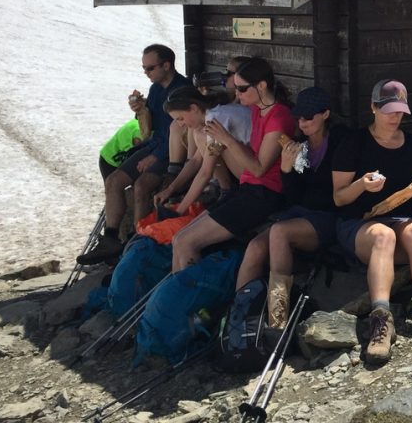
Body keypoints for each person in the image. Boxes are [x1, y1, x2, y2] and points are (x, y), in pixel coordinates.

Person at [332, 79, 412, 364]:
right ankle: (381, 320)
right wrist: (362, 184)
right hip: (358, 224)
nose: (394, 117)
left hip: (400, 219)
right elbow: (339, 199)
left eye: (399, 111)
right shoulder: (354, 143)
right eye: (388, 111)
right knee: (383, 235)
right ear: (373, 108)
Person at [235, 87, 347, 329]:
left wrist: (296, 170)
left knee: (279, 232)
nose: (303, 123)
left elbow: (329, 192)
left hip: (328, 216)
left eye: (309, 117)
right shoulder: (299, 145)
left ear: (325, 114)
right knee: (255, 248)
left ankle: (277, 317)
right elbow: (294, 197)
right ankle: (238, 318)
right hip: (300, 213)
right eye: (299, 117)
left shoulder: (341, 141)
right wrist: (287, 169)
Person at [170, 58, 295, 272]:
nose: (237, 95)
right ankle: (174, 296)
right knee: (179, 239)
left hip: (265, 194)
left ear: (262, 86)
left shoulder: (278, 118)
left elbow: (259, 169)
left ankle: (189, 300)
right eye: (236, 88)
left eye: (242, 89)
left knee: (185, 242)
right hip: (249, 188)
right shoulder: (258, 109)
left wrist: (227, 139)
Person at [78, 44, 191, 265]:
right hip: (156, 144)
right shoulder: (158, 88)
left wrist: (155, 157)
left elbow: (180, 131)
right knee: (113, 181)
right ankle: (111, 239)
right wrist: (142, 108)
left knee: (142, 186)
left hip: (173, 151)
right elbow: (154, 124)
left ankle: (137, 241)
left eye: (150, 68)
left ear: (166, 65)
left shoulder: (183, 90)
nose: (146, 73)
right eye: (144, 69)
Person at [153, 84, 252, 214]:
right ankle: (225, 191)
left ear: (194, 108)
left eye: (181, 118)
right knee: (199, 134)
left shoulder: (216, 120)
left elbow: (206, 172)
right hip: (246, 161)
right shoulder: (211, 115)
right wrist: (170, 189)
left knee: (202, 136)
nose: (180, 124)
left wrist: (179, 211)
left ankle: (226, 191)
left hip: (254, 172)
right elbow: (195, 161)